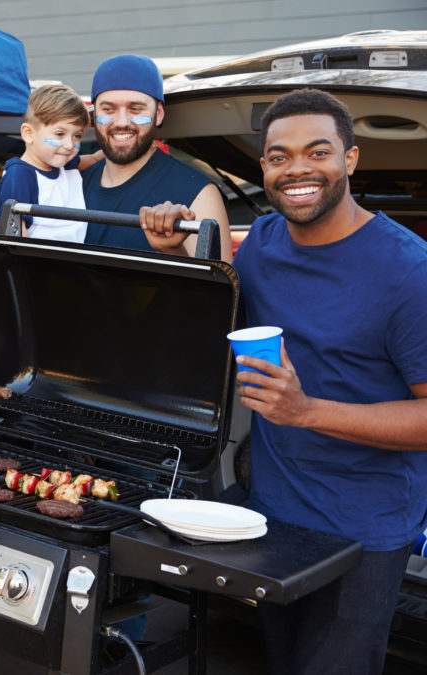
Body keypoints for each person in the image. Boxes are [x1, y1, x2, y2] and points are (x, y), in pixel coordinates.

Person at [147, 88, 427, 674]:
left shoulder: (409, 271)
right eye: (278, 157)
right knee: (279, 661)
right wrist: (179, 253)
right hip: (271, 515)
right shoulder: (265, 244)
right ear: (265, 169)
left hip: (363, 532)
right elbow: (206, 328)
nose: (296, 168)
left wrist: (306, 411)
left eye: (317, 152)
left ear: (349, 160)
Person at [82, 54, 233, 262]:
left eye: (136, 109)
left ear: (159, 114)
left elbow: (218, 291)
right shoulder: (73, 184)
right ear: (95, 114)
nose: (122, 122)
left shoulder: (199, 194)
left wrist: (172, 250)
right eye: (108, 109)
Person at [0, 83, 96, 241]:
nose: (69, 145)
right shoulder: (20, 175)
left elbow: (93, 159)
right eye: (59, 134)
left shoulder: (65, 165)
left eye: (77, 136)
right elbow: (15, 232)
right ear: (28, 133)